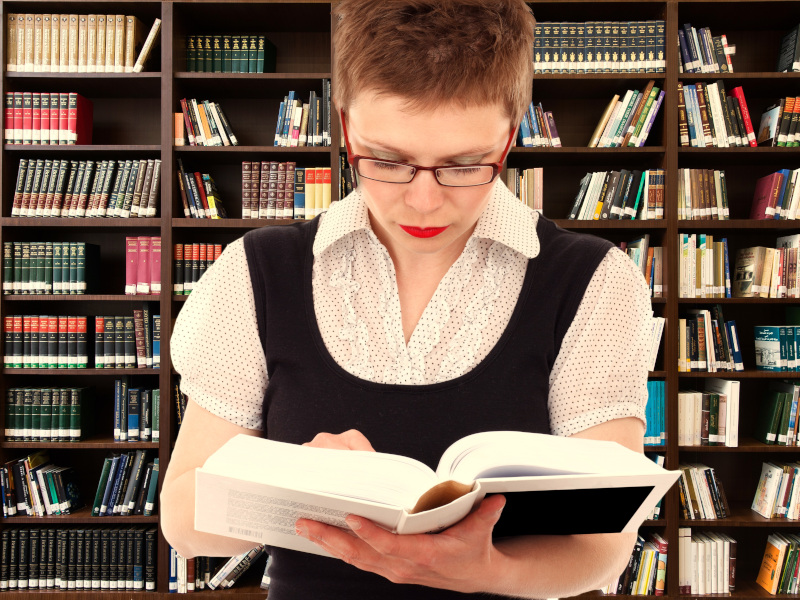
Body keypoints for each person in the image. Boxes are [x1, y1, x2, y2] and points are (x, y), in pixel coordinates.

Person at [161, 1, 654, 598]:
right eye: (386, 160)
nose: (423, 202)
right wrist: (288, 481)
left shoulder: (594, 281)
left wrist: (487, 573)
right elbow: (183, 525)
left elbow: (603, 549)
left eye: (466, 164)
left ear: (511, 132)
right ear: (344, 127)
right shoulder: (256, 271)